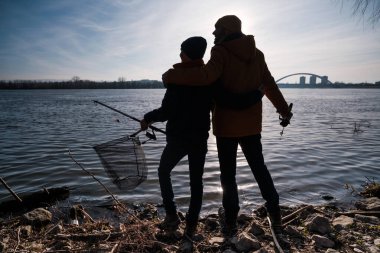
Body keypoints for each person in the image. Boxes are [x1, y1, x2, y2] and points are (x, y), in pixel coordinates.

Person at [162, 15, 293, 236]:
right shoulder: (258, 54)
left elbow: (204, 76)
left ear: (226, 29)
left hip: (226, 128)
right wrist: (284, 111)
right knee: (260, 170)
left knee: (228, 176)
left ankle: (231, 223)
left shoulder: (220, 52)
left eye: (216, 29)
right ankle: (275, 216)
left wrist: (172, 75)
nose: (213, 34)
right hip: (252, 126)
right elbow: (269, 85)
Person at [140, 37, 213, 242]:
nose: (179, 54)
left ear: (186, 53)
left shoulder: (178, 79)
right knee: (196, 183)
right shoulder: (208, 77)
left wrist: (148, 118)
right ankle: (191, 227)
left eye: (181, 51)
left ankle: (172, 216)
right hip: (199, 138)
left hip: (179, 139)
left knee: (163, 171)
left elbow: (166, 111)